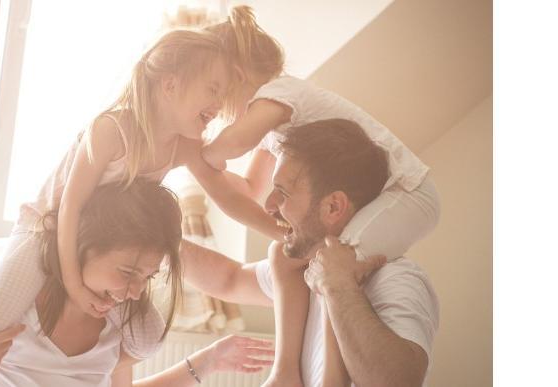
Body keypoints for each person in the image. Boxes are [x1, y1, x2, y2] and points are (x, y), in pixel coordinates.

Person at [0, 26, 287, 361]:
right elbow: (69, 208)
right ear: (170, 85)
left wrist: (288, 235)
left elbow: (232, 199)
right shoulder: (111, 130)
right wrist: (74, 285)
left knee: (148, 341)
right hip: (47, 228)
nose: (219, 104)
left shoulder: (184, 145)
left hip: (104, 247)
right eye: (213, 90)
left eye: (223, 94)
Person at [181, 6, 443, 386]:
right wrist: (195, 167)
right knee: (283, 256)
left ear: (236, 77)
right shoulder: (276, 132)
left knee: (334, 264)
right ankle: (285, 371)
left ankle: (331, 379)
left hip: (410, 192)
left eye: (216, 96)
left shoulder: (281, 91)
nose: (218, 111)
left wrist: (200, 151)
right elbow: (250, 196)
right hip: (378, 196)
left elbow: (234, 143)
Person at [0, 180, 275, 386]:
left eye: (148, 277)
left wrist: (209, 360)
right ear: (80, 247)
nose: (135, 292)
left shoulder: (120, 325)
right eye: (126, 272)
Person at [183, 119, 440, 387]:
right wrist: (159, 241)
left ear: (332, 207)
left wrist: (339, 286)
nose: (269, 205)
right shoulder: (299, 273)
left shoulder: (397, 280)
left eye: (281, 192)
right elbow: (229, 279)